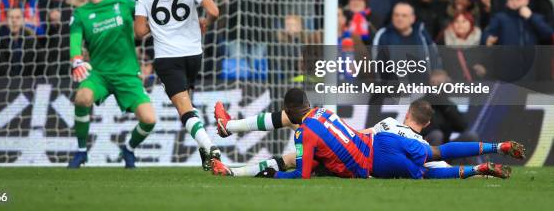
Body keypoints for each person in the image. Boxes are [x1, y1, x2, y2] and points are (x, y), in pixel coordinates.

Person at [213, 88, 524, 179]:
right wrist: (473, 172)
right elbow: (441, 164)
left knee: (290, 163)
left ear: (405, 114)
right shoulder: (324, 112)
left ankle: (236, 169)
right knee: (435, 159)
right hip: (381, 150)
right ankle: (493, 150)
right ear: (426, 124)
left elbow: (358, 132)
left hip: (371, 154)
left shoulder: (386, 123)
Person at [134, 0, 221, 170]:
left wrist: (158, 25)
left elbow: (139, 31)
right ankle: (204, 150)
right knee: (187, 103)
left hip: (167, 56)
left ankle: (209, 146)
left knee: (184, 108)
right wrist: (205, 22)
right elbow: (213, 11)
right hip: (194, 54)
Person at [67, 0, 156, 169]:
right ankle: (81, 151)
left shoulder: (123, 4)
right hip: (99, 74)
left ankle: (129, 148)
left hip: (127, 74)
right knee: (82, 97)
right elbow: (74, 44)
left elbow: (149, 15)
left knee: (149, 120)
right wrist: (77, 60)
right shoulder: (80, 14)